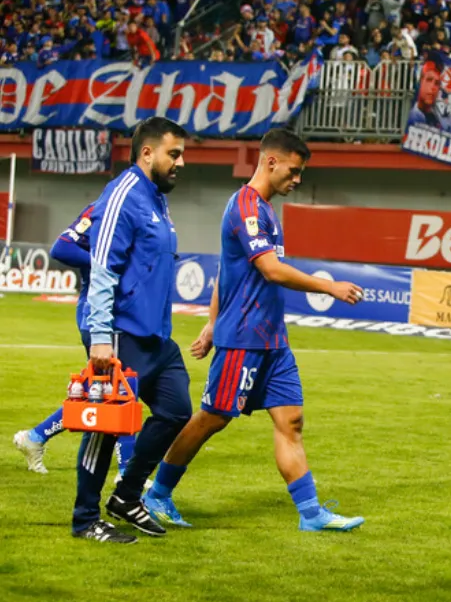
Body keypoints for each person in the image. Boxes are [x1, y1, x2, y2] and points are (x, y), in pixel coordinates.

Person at [142, 130, 365, 532]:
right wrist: (328, 285)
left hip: (273, 341)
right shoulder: (246, 206)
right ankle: (156, 493)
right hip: (244, 338)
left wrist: (210, 321)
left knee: (291, 421)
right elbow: (269, 269)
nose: (297, 180)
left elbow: (224, 273)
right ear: (271, 162)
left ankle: (311, 514)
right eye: (294, 172)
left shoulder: (265, 209)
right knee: (212, 418)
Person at [73, 117, 193, 543]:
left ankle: (125, 497)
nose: (180, 162)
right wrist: (101, 336)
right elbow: (103, 268)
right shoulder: (123, 194)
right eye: (173, 154)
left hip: (155, 336)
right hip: (119, 332)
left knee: (177, 409)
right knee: (105, 428)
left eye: (181, 154)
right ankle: (85, 519)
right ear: (147, 153)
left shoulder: (156, 198)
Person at [12, 205, 137, 475]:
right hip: (100, 315)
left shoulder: (148, 212)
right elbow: (62, 247)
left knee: (101, 391)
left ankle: (35, 437)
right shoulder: (101, 210)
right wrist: (102, 265)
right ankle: (128, 473)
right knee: (122, 387)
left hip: (124, 315)